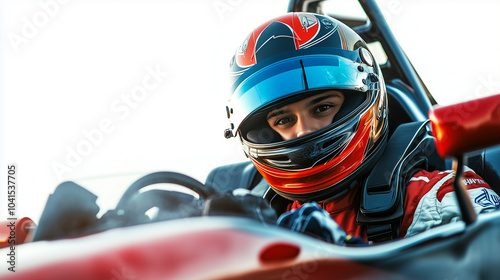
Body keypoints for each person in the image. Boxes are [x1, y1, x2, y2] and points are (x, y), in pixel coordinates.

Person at [222, 12, 499, 243]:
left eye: (321, 108)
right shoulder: (255, 224)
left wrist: (347, 256)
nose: (304, 131)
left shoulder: (439, 197)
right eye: (283, 121)